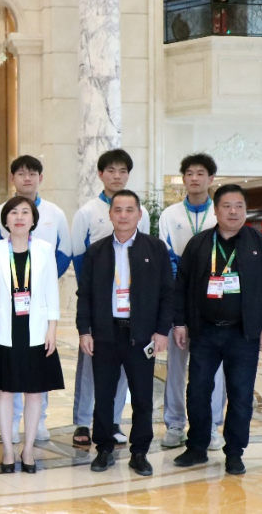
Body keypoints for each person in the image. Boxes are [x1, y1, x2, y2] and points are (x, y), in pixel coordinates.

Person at [173, 184, 262, 476]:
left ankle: (234, 452)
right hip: (204, 332)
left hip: (243, 334)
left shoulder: (260, 244)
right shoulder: (199, 244)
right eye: (227, 206)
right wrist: (180, 322)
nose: (233, 212)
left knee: (241, 395)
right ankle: (197, 447)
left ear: (245, 210)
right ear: (216, 210)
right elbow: (181, 286)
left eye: (239, 206)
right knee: (197, 391)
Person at [76, 190, 171, 477]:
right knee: (104, 395)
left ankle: (139, 452)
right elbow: (85, 295)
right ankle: (104, 448)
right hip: (105, 333)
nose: (123, 215)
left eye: (130, 210)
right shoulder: (97, 251)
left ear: (139, 215)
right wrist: (84, 331)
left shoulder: (155, 248)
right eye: (118, 210)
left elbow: (168, 292)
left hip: (141, 335)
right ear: (110, 215)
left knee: (142, 397)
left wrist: (162, 331)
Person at [0, 156, 72, 443]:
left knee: (36, 379)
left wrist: (43, 291)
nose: (27, 178)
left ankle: (36, 427)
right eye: (21, 173)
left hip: (36, 312)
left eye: (32, 174)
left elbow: (63, 257)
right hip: (4, 316)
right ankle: (10, 432)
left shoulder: (52, 221)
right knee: (7, 382)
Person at [69, 149, 150, 447]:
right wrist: (95, 297)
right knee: (90, 367)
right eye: (111, 171)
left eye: (123, 171)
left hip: (130, 308)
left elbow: (145, 256)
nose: (117, 176)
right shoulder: (87, 212)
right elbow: (79, 257)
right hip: (99, 304)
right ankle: (82, 421)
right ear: (101, 174)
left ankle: (113, 420)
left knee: (124, 370)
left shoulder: (142, 212)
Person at [0, 196, 63, 473]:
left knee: (34, 392)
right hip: (4, 329)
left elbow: (52, 291)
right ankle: (7, 449)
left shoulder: (44, 249)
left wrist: (52, 328)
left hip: (36, 329)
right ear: (5, 220)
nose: (19, 217)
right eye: (13, 212)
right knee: (5, 391)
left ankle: (27, 450)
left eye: (25, 212)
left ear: (33, 220)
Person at [158, 154, 226, 451]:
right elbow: (166, 258)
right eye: (189, 173)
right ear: (183, 178)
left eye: (201, 173)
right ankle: (174, 424)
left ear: (211, 178)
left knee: (216, 367)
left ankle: (211, 425)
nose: (195, 178)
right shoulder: (169, 215)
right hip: (180, 301)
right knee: (176, 365)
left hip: (215, 302)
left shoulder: (220, 212)